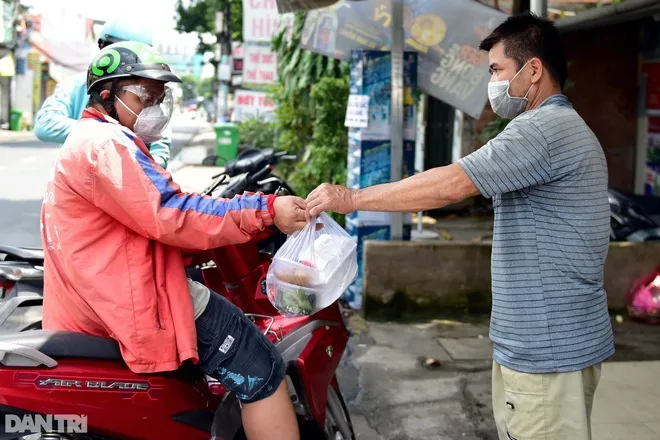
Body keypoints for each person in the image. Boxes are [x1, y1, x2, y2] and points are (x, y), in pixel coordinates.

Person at [307, 14, 613, 440]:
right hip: (545, 340)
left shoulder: (544, 129)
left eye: (497, 70)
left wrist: (352, 198)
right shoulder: (555, 128)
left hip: (547, 346)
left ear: (534, 70)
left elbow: (451, 184)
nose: (493, 83)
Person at [41, 42, 305, 440]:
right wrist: (265, 211)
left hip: (97, 295)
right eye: (145, 95)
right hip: (125, 300)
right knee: (261, 367)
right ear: (108, 95)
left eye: (160, 97)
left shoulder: (94, 139)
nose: (155, 107)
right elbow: (171, 211)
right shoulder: (106, 145)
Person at [34, 18, 172, 169]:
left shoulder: (153, 95)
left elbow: (159, 152)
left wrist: (148, 171)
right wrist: (107, 136)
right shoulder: (74, 85)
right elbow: (45, 124)